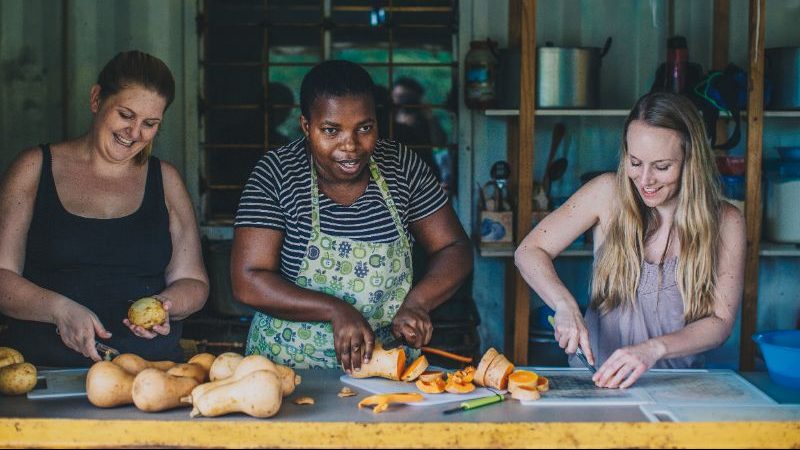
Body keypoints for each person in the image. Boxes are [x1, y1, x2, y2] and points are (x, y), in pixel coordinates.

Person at [231, 60, 472, 371]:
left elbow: (454, 248)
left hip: (384, 367)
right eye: (331, 130)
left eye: (364, 128)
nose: (351, 146)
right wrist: (335, 309)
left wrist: (418, 303)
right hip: (287, 369)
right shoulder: (277, 174)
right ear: (307, 126)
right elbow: (247, 280)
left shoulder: (401, 167)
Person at [514, 92, 745, 388]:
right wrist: (563, 304)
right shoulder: (607, 194)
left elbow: (720, 322)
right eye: (635, 162)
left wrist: (652, 349)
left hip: (677, 385)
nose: (645, 180)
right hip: (596, 381)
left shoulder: (727, 221)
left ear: (691, 161)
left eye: (662, 167)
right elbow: (529, 251)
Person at [0, 50, 209, 366]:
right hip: (44, 372)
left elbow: (193, 281)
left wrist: (165, 304)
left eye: (150, 123)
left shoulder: (165, 180)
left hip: (148, 375)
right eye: (126, 115)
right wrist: (59, 310)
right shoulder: (34, 168)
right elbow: (3, 277)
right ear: (97, 99)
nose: (135, 133)